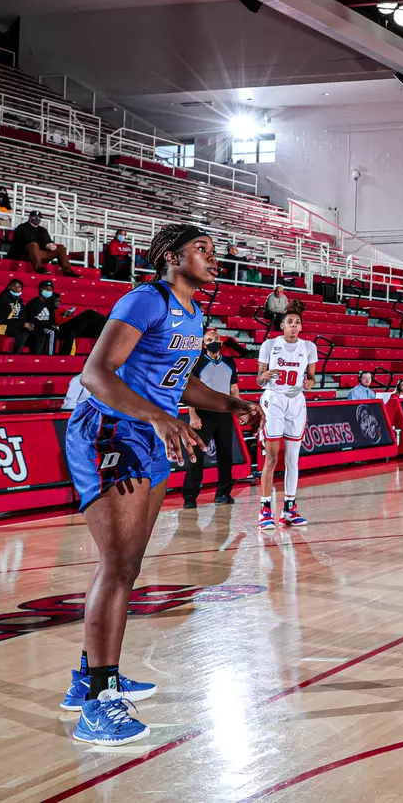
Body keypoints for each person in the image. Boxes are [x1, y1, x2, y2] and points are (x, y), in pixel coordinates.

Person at [60, 224, 259, 744]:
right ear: (171, 257)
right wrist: (159, 419)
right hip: (111, 429)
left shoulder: (193, 313)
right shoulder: (145, 300)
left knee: (128, 565)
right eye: (203, 251)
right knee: (119, 565)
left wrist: (228, 403)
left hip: (149, 433)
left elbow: (181, 378)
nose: (214, 260)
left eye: (215, 252)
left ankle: (90, 673)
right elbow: (96, 373)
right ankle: (99, 701)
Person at [256, 310, 318, 530]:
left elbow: (311, 379)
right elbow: (259, 379)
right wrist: (264, 376)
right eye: (290, 322)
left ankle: (289, 509)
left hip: (296, 402)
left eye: (298, 322)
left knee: (293, 459)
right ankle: (265, 510)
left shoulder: (309, 347)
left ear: (301, 327)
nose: (294, 325)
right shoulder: (269, 345)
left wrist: (309, 384)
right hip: (274, 401)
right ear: (282, 326)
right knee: (271, 459)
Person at [182, 327, 240, 508]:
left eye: (215, 339)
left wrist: (238, 410)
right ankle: (190, 497)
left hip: (223, 414)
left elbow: (234, 389)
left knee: (225, 456)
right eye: (209, 340)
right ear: (203, 343)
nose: (213, 342)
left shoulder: (230, 362)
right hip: (202, 413)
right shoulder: (197, 363)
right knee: (196, 456)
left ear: (221, 342)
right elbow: (189, 391)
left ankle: (223, 493)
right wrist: (192, 414)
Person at [10, 211, 80, 276]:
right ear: (30, 217)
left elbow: (48, 241)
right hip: (26, 254)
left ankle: (68, 271)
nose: (37, 219)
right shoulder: (22, 227)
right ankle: (39, 268)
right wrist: (45, 245)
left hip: (41, 253)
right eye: (35, 217)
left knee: (61, 249)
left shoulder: (43, 230)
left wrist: (52, 245)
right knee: (33, 245)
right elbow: (27, 240)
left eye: (39, 217)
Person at [19, 279, 62, 355]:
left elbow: (51, 320)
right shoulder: (33, 303)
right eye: (46, 289)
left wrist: (53, 324)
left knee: (57, 329)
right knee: (52, 332)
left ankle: (49, 352)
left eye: (50, 289)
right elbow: (31, 319)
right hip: (35, 326)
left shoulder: (50, 303)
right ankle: (50, 355)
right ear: (40, 290)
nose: (48, 291)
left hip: (46, 326)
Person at [0, 277, 27, 354]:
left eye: (19, 287)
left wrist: (23, 324)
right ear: (9, 287)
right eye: (14, 286)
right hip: (3, 325)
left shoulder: (19, 300)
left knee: (33, 331)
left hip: (15, 325)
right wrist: (21, 324)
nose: (16, 288)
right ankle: (15, 355)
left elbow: (22, 316)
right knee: (22, 333)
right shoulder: (2, 299)